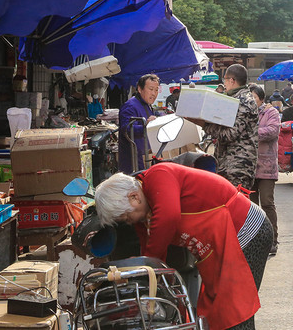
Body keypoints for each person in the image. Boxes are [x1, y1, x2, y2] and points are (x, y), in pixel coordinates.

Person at [95, 163, 273, 330]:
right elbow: (148, 253)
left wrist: (148, 266)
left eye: (126, 217)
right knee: (216, 311)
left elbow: (168, 218)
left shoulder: (159, 176)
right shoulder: (143, 216)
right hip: (218, 247)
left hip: (247, 231)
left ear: (134, 197)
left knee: (235, 309)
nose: (129, 222)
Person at [193, 64, 259, 190]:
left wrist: (204, 125)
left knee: (237, 206)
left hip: (239, 164)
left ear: (232, 80)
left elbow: (230, 134)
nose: (224, 84)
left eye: (225, 79)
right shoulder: (234, 98)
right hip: (227, 163)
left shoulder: (245, 101)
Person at [249, 84, 280, 256]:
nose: (251, 100)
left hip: (267, 167)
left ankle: (273, 240)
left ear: (261, 98)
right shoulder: (246, 112)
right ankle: (255, 241)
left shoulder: (271, 112)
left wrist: (251, 132)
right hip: (250, 165)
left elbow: (272, 131)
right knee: (252, 207)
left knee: (267, 203)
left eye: (254, 97)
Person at [118, 74, 159, 173]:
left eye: (156, 90)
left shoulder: (147, 105)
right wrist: (145, 126)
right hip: (133, 159)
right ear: (140, 89)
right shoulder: (130, 106)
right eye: (151, 89)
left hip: (145, 156)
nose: (154, 93)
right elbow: (126, 129)